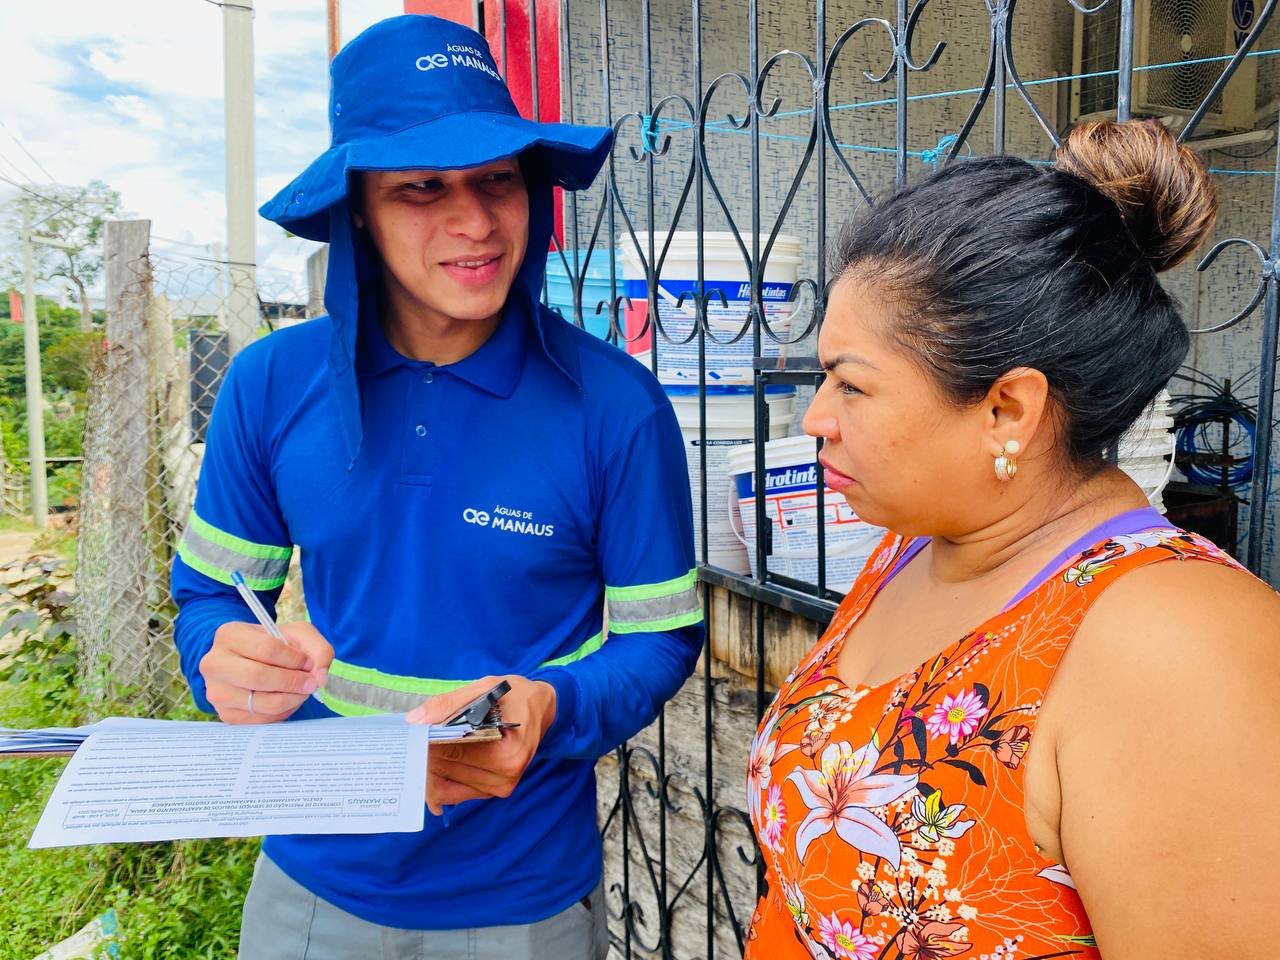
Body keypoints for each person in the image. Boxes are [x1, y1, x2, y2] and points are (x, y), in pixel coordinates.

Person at [170, 14, 704, 959]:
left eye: (497, 179)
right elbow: (209, 595)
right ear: (358, 212)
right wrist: (223, 657)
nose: (475, 222)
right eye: (422, 188)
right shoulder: (270, 385)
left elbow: (660, 638)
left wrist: (552, 706)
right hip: (309, 882)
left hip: (523, 899)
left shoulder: (617, 408)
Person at [744, 119, 1280, 959]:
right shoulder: (920, 545)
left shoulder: (1175, 649)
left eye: (851, 385)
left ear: (1008, 411)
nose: (817, 420)